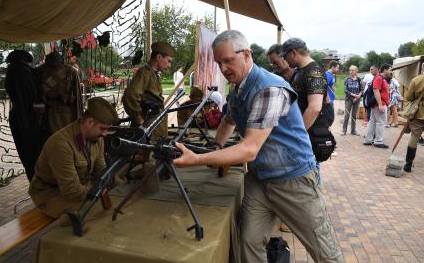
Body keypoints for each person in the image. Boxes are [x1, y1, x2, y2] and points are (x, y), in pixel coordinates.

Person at [173, 30, 343, 263]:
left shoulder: (269, 88)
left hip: (293, 180)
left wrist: (198, 159)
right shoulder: (238, 88)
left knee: (325, 252)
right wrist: (216, 146)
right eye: (219, 63)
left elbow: (249, 149)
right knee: (249, 245)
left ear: (246, 54)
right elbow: (229, 120)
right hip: (260, 179)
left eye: (228, 61)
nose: (223, 69)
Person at [29, 97, 119, 218]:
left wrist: (107, 179)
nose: (104, 134)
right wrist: (97, 186)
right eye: (103, 129)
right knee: (87, 214)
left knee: (117, 186)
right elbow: (72, 191)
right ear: (90, 122)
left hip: (80, 185)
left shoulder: (97, 139)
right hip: (49, 193)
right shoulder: (61, 145)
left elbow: (100, 169)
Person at [5, 50, 46, 181]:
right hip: (25, 120)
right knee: (31, 155)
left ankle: (37, 182)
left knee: (31, 155)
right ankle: (37, 183)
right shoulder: (19, 71)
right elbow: (22, 98)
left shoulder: (18, 70)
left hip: (25, 118)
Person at [122, 42, 174, 142]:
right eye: (168, 61)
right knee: (150, 157)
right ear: (159, 57)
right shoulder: (145, 72)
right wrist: (139, 120)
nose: (169, 65)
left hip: (153, 130)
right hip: (148, 131)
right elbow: (130, 96)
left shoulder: (153, 73)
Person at [38, 51, 83, 135]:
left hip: (65, 115)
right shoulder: (41, 72)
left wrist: (78, 118)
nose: (55, 68)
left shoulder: (70, 72)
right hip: (48, 113)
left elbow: (77, 96)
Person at [363, 64, 391, 149]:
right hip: (379, 104)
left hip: (376, 105)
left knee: (372, 122)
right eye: (390, 69)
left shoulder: (379, 78)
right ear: (385, 70)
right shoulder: (379, 78)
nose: (391, 71)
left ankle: (368, 140)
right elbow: (376, 90)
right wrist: (380, 104)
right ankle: (378, 141)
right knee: (381, 122)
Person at [403, 74, 424, 172]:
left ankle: (408, 164)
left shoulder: (416, 79)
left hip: (418, 113)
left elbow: (409, 97)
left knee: (414, 137)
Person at [341, 65, 362, 136]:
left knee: (354, 115)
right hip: (349, 99)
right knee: (347, 115)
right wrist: (354, 95)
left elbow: (362, 89)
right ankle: (344, 130)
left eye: (352, 70)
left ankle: (353, 130)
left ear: (356, 71)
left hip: (357, 99)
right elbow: (345, 90)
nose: (351, 72)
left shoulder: (359, 79)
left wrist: (358, 96)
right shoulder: (347, 79)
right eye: (350, 70)